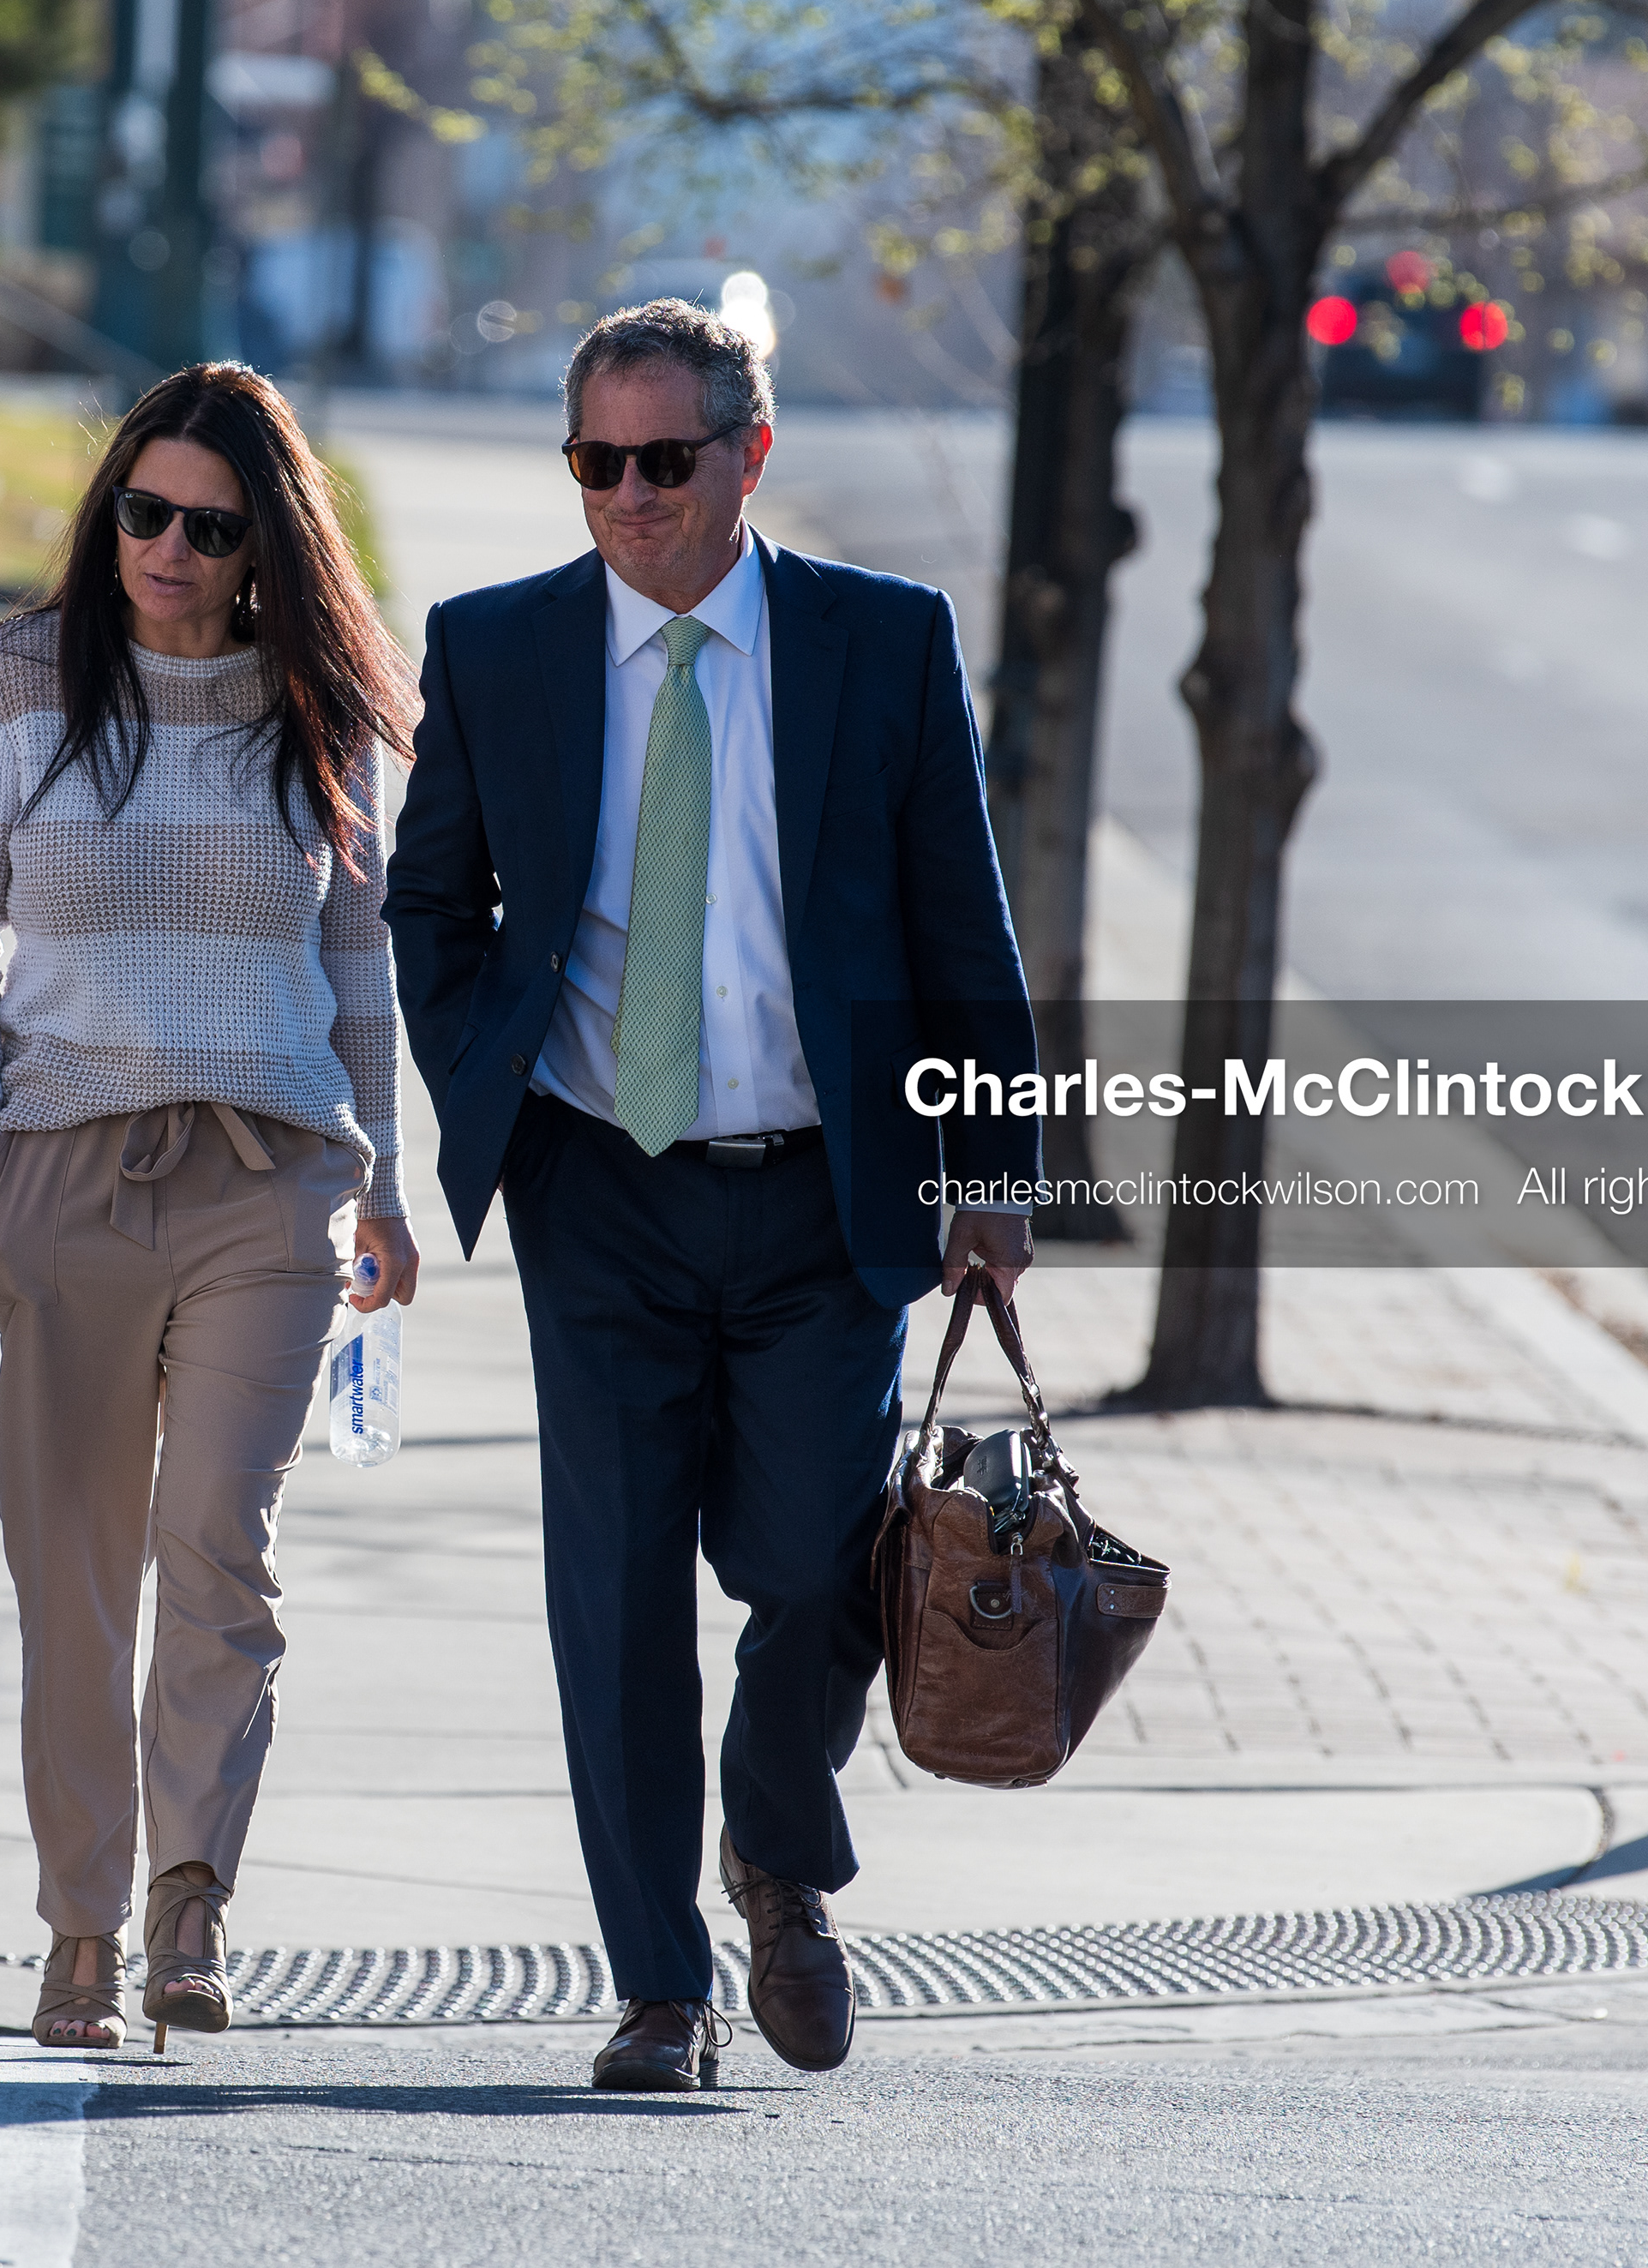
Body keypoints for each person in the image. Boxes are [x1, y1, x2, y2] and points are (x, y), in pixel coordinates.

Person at [384, 300, 1040, 2091]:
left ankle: (775, 1842)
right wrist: (489, 1094)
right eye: (594, 462)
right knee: (613, 1595)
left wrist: (993, 1163)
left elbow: (954, 924)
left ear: (751, 456)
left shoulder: (881, 645)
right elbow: (432, 908)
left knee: (820, 1569)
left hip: (827, 1193)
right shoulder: (499, 648)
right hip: (600, 1184)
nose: (626, 496)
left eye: (663, 460)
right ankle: (661, 1987)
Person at [0, 363, 419, 2052]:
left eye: (211, 527)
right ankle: (79, 1923)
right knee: (75, 1574)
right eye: (146, 512)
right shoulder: (20, 683)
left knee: (219, 1547)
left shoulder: (315, 706)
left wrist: (389, 1187)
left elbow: (362, 973)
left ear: (261, 542)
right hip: (63, 1170)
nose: (171, 550)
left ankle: (190, 1905)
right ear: (110, 508)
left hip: (268, 1182)